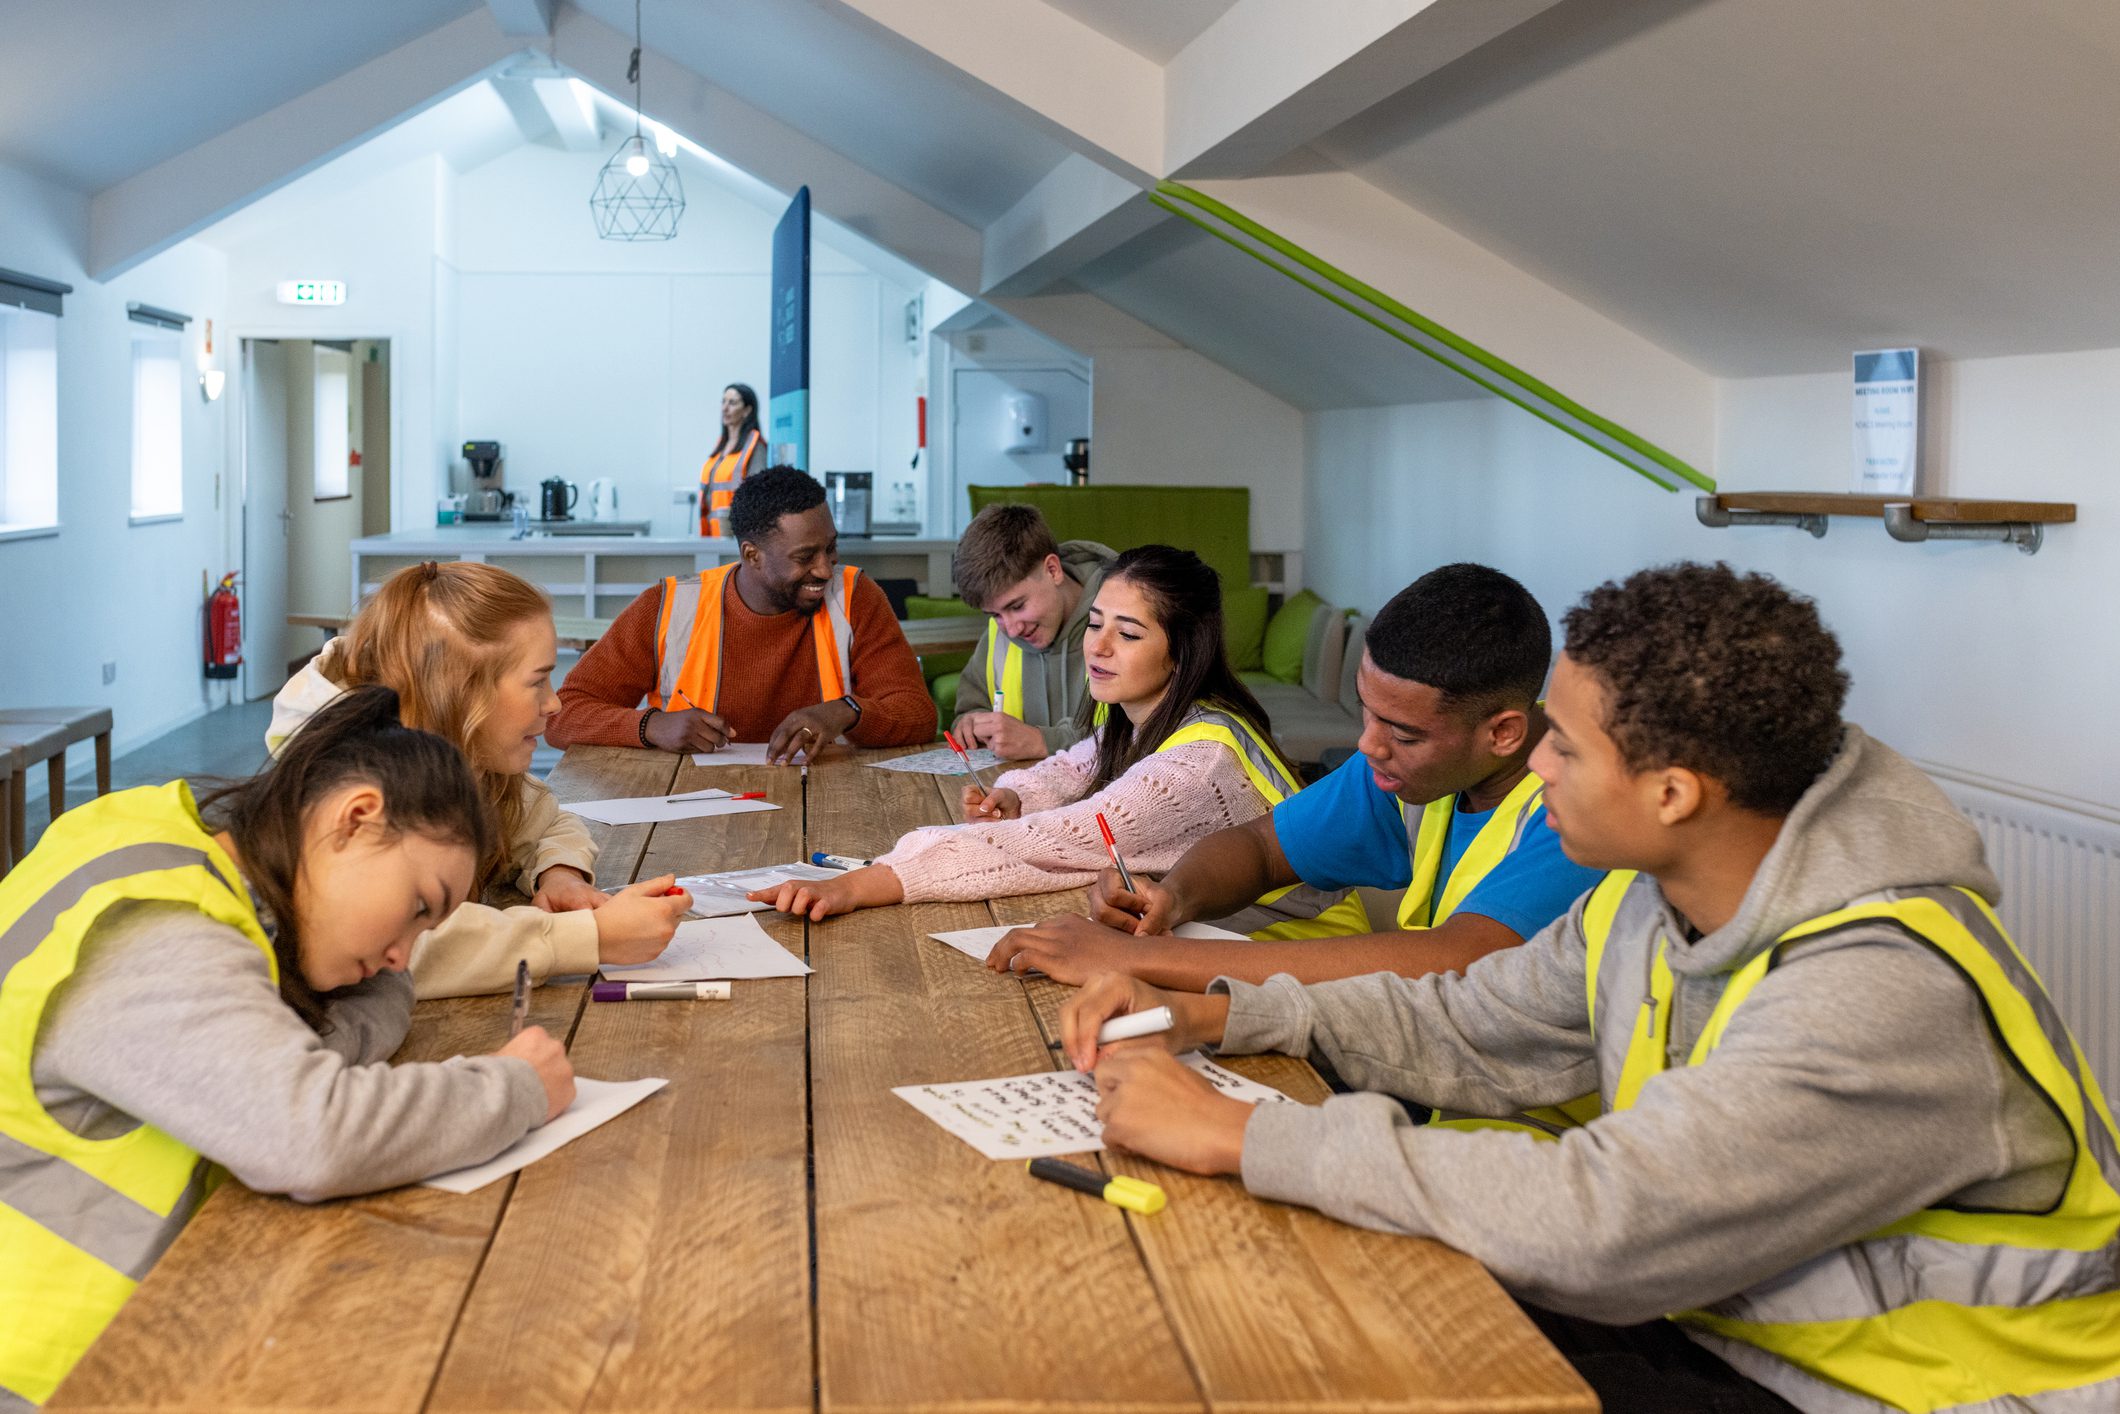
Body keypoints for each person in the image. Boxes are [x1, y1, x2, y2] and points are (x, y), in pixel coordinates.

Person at [1062, 562, 2119, 1414]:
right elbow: (1469, 1022)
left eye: (1563, 744)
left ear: (1669, 792)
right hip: (1725, 1329)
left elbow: (1608, 1220)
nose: (1536, 768)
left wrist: (1243, 1136)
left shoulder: (1875, 989)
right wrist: (1220, 1013)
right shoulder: (1647, 901)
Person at [0, 688, 577, 1410]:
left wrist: (357, 1004)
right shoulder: (155, 932)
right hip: (62, 1376)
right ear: (356, 818)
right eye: (419, 906)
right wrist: (514, 1087)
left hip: (148, 1333)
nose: (404, 955)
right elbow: (311, 1134)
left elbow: (329, 1031)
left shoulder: (190, 855)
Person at [989, 563, 1600, 990]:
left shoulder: (1579, 817)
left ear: (1503, 733)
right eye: (1367, 712)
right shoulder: (1408, 774)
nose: (1368, 745)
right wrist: (1175, 896)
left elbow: (1456, 960)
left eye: (1404, 733)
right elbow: (1259, 847)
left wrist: (1144, 959)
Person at [748, 546, 1302, 923]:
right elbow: (1071, 766)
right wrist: (1018, 794)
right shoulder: (1147, 716)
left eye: (1127, 633)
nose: (1098, 646)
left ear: (1185, 652)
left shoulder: (1196, 763)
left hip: (1282, 949)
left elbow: (1056, 840)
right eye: (1095, 623)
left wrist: (860, 884)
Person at [270, 562, 689, 1000]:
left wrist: (559, 874)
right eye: (538, 681)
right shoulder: (354, 792)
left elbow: (547, 821)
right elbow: (399, 950)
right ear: (460, 691)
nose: (554, 703)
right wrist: (590, 937)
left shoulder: (465, 759)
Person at [551, 465, 937, 762]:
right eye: (805, 557)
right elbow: (562, 714)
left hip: (829, 798)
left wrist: (847, 711)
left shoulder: (856, 597)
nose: (824, 569)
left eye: (830, 549)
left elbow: (918, 713)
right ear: (752, 555)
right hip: (691, 806)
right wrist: (651, 725)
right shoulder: (668, 606)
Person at [947, 502, 1117, 762]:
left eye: (1017, 606)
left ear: (1053, 570)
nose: (1011, 629)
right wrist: (970, 725)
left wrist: (1043, 742)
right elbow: (971, 707)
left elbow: (1147, 733)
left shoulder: (1128, 619)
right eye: (994, 614)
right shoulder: (1000, 632)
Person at [699, 382, 764, 537]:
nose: (725, 408)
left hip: (737, 538)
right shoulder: (721, 447)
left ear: (747, 410)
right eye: (724, 402)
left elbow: (757, 498)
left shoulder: (755, 446)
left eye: (732, 403)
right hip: (713, 536)